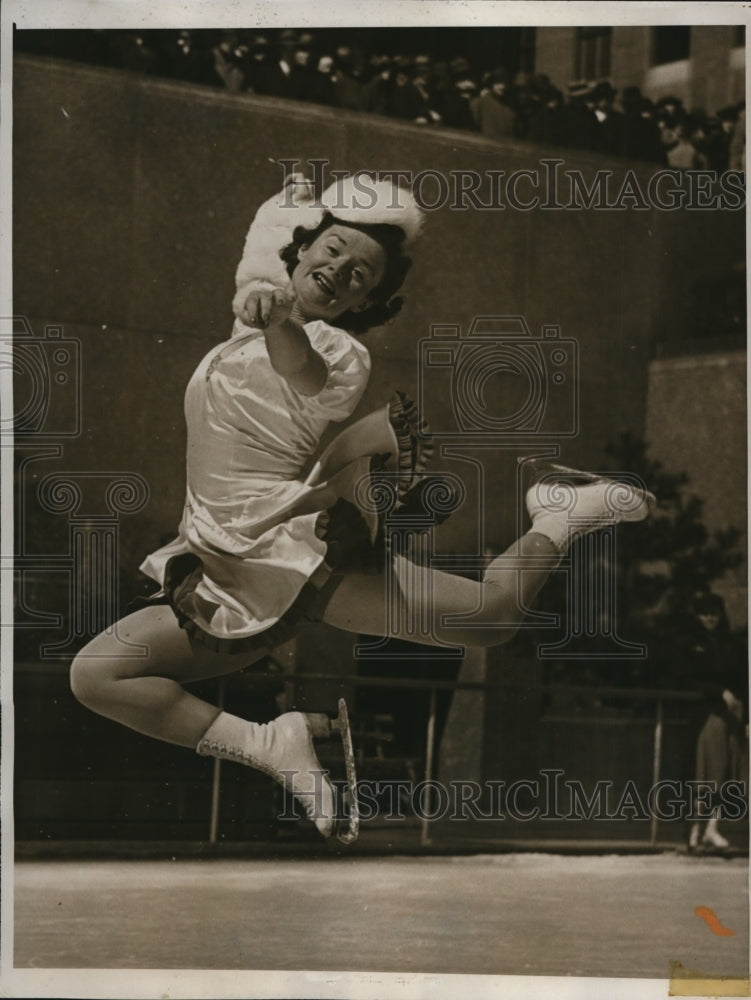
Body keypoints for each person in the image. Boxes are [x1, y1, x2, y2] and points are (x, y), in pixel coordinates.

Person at [69, 172, 655, 843]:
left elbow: (298, 369)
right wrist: (286, 206)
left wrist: (280, 308)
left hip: (290, 557)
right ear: (302, 249)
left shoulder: (337, 352)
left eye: (359, 276)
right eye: (333, 251)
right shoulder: (244, 329)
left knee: (492, 620)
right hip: (215, 565)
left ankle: (558, 513)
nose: (339, 271)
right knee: (98, 674)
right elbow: (263, 261)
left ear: (366, 302)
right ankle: (268, 743)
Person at [680, 592, 748, 852]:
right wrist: (720, 692)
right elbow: (686, 678)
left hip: (733, 716)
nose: (710, 618)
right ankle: (695, 829)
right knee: (706, 772)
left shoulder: (734, 644)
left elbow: (745, 681)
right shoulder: (690, 643)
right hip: (706, 716)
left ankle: (712, 827)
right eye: (704, 613)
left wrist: (747, 720)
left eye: (714, 613)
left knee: (728, 773)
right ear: (697, 616)